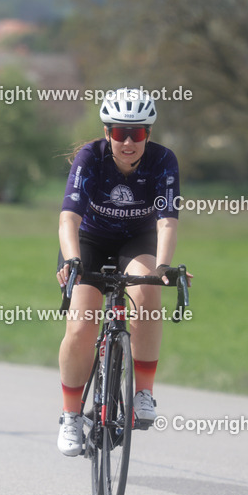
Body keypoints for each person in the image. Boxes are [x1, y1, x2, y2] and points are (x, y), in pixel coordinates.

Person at [56, 88, 185, 456]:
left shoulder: (163, 161)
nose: (128, 141)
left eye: (138, 133)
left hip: (138, 241)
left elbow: (167, 223)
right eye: (119, 133)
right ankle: (69, 416)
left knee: (146, 293)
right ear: (106, 131)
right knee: (82, 325)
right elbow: (69, 217)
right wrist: (71, 260)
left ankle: (143, 392)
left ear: (149, 134)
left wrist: (161, 267)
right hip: (88, 241)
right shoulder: (90, 158)